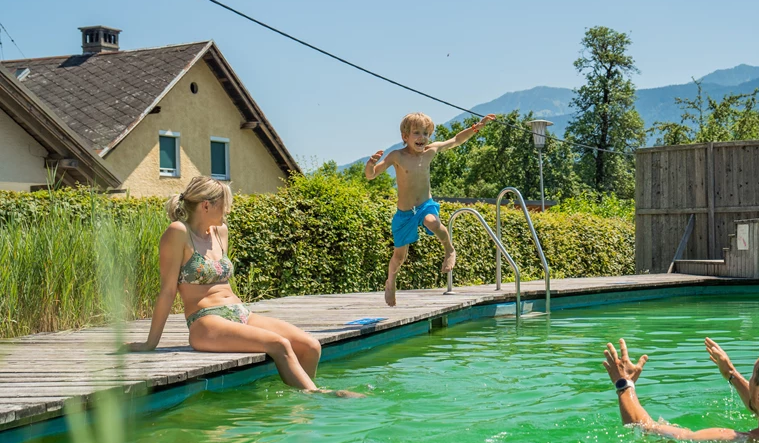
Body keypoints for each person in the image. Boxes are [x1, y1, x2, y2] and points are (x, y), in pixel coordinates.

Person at [125, 176, 359, 397]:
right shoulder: (179, 232)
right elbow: (167, 291)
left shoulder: (220, 232)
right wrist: (150, 343)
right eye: (223, 205)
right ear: (206, 206)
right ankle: (318, 396)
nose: (227, 210)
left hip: (240, 313)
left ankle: (297, 400)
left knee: (311, 346)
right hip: (206, 321)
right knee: (279, 344)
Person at [600, 334, 759, 443]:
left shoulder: (736, 441)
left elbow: (646, 429)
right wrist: (730, 373)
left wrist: (624, 384)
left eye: (752, 375)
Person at [365, 111, 496, 306]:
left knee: (433, 222)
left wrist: (477, 126)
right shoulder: (397, 156)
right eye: (417, 133)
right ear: (405, 137)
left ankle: (449, 249)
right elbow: (371, 175)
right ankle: (391, 281)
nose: (422, 138)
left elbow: (456, 140)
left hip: (425, 206)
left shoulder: (431, 151)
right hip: (404, 214)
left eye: (426, 134)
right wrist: (371, 163)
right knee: (399, 256)